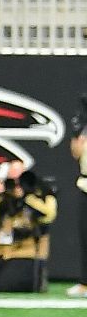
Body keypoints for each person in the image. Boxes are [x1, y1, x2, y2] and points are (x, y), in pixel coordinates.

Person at [0, 161, 57, 292]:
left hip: (27, 254)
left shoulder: (41, 195)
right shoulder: (5, 198)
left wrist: (27, 198)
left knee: (8, 284)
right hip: (3, 253)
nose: (16, 186)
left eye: (19, 180)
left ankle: (38, 279)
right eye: (12, 181)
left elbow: (48, 215)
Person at [69, 124, 87, 298]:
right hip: (85, 186)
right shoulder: (83, 129)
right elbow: (75, 153)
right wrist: (78, 139)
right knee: (85, 236)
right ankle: (85, 283)